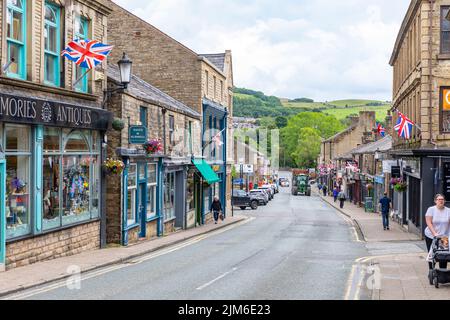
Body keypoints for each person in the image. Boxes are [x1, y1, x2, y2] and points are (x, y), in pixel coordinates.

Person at [425, 194, 450, 270]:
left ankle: (443, 272)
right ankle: (431, 270)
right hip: (431, 235)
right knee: (432, 254)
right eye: (439, 199)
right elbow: (429, 222)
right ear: (435, 201)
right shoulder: (431, 209)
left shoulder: (448, 210)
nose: (441, 201)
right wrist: (434, 233)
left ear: (444, 201)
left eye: (442, 199)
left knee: (444, 254)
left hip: (444, 236)